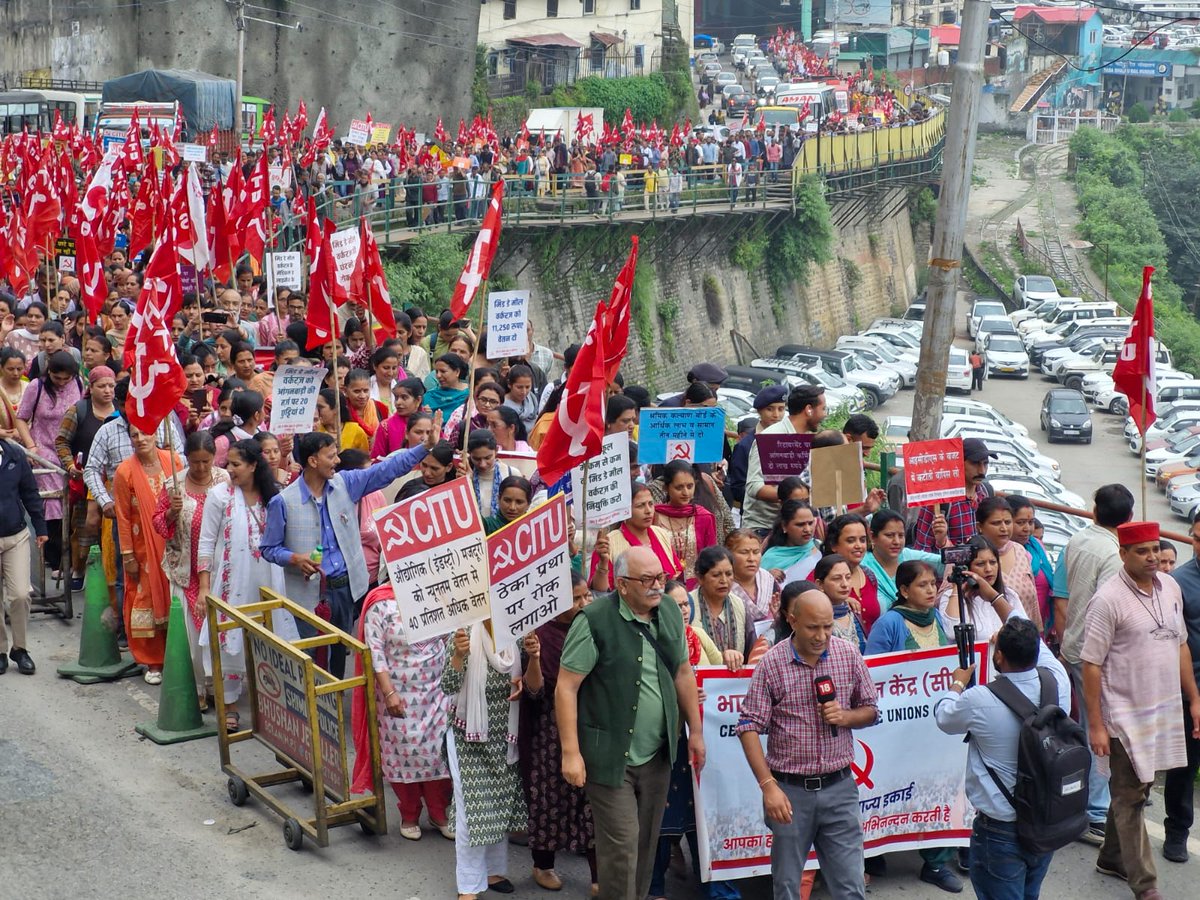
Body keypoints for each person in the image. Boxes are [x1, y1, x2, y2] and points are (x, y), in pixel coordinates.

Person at [556, 546, 705, 900]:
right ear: (621, 585)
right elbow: (566, 687)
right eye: (648, 580)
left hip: (657, 751)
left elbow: (683, 672)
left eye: (661, 578)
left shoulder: (669, 611)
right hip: (609, 756)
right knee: (622, 845)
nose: (657, 586)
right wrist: (571, 753)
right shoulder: (593, 620)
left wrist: (695, 732)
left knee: (646, 844)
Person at [260, 419, 439, 679]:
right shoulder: (282, 502)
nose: (336, 462)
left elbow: (387, 470)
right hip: (308, 595)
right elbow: (269, 549)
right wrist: (294, 558)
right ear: (312, 461)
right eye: (331, 457)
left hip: (345, 590)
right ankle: (315, 710)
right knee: (311, 657)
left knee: (341, 650)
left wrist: (424, 448)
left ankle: (334, 710)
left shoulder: (346, 483)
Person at [735, 587, 878, 900]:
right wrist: (768, 786)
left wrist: (845, 716)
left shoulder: (847, 653)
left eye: (828, 626)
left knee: (851, 886)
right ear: (793, 620)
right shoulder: (772, 664)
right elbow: (747, 726)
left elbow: (871, 709)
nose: (822, 635)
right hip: (790, 792)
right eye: (813, 627)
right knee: (786, 886)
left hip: (840, 787)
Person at [1083, 520, 1200, 900]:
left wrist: (1194, 698)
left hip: (1163, 708)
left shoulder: (1170, 587)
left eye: (1155, 549)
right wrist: (1097, 726)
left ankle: (1113, 857)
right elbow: (1091, 665)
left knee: (1139, 785)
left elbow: (1181, 645)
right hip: (1123, 713)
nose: (1152, 557)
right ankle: (1145, 884)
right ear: (1123, 554)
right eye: (1142, 551)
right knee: (1131, 794)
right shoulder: (1107, 599)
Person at [934, 617, 1071, 900]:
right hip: (1045, 818)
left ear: (999, 656)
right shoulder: (1056, 680)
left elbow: (944, 717)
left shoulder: (980, 699)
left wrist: (957, 685)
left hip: (999, 829)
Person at [865, 560, 963, 891]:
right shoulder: (889, 623)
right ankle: (872, 853)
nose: (932, 590)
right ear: (904, 590)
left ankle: (935, 862)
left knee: (936, 785)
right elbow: (873, 675)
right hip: (895, 729)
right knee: (887, 789)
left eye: (934, 584)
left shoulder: (937, 618)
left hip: (932, 726)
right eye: (923, 585)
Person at [197, 439, 293, 731]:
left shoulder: (273, 497)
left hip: (267, 580)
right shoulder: (219, 496)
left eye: (236, 464)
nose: (230, 469)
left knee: (269, 639)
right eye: (229, 464)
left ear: (253, 466)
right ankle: (229, 706)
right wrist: (203, 588)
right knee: (230, 640)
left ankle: (269, 704)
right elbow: (206, 541)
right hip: (231, 583)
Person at [1057, 483, 1134, 845]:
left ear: (1094, 509)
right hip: (1096, 656)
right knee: (1099, 733)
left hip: (1075, 646)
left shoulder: (1078, 540)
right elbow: (1109, 609)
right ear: (1129, 518)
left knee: (1088, 727)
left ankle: (1083, 805)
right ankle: (1094, 811)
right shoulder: (1114, 555)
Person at [353, 584, 454, 842]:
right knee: (403, 752)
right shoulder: (381, 603)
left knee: (438, 752)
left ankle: (438, 812)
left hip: (437, 691)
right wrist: (389, 693)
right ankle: (409, 812)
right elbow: (375, 653)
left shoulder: (438, 592)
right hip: (397, 693)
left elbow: (450, 638)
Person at [519, 572, 598, 892]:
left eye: (586, 596)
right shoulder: (539, 634)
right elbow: (534, 691)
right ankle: (543, 864)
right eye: (575, 599)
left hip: (591, 722)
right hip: (549, 730)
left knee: (594, 798)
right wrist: (534, 658)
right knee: (548, 797)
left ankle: (598, 873)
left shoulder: (596, 627)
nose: (583, 604)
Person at [443, 622, 530, 900]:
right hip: (467, 735)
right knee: (472, 810)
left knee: (498, 804)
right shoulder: (463, 634)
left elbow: (533, 683)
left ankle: (493, 870)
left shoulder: (516, 633)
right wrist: (458, 655)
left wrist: (524, 681)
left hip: (505, 736)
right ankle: (468, 884)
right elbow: (447, 685)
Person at [154, 431, 231, 708]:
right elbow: (158, 526)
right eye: (195, 462)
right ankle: (196, 686)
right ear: (187, 459)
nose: (200, 468)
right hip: (184, 570)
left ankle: (217, 685)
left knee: (215, 633)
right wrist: (171, 513)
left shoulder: (226, 480)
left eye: (206, 462)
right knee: (189, 636)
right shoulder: (172, 485)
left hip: (218, 569)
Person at [113, 424, 180, 684]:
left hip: (173, 543)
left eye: (145, 432)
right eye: (134, 435)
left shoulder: (172, 461)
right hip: (141, 550)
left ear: (156, 434)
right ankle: (153, 661)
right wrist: (128, 555)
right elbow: (122, 516)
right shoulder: (124, 471)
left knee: (174, 596)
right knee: (145, 601)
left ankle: (177, 657)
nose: (140, 439)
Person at [17, 349, 83, 577]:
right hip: (44, 452)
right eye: (58, 378)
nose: (62, 383)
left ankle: (71, 559)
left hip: (72, 453)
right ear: (49, 373)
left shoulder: (79, 384)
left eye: (67, 379)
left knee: (73, 505)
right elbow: (22, 419)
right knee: (54, 503)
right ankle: (56, 560)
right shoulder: (36, 387)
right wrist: (31, 446)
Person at [1164, 516, 1200, 862]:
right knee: (1183, 767)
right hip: (1190, 691)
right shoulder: (1177, 583)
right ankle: (1176, 831)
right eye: (1198, 539)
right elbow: (1173, 644)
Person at [742, 385, 826, 534]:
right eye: (823, 409)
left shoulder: (811, 440)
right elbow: (754, 487)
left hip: (798, 528)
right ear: (809, 410)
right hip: (765, 529)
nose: (825, 415)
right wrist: (794, 496)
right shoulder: (771, 438)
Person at [0, 435, 47, 674]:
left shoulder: (15, 454)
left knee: (20, 594)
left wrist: (40, 527)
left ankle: (20, 648)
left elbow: (30, 491)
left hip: (15, 536)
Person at [589, 482, 684, 593]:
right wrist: (603, 564)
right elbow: (600, 593)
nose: (648, 511)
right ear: (625, 510)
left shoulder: (661, 534)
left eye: (651, 504)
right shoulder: (609, 543)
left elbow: (675, 575)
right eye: (640, 506)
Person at [911, 438, 995, 552]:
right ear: (959, 463)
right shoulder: (941, 499)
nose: (982, 470)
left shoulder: (986, 493)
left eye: (985, 463)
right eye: (975, 463)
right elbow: (923, 548)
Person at [938, 535, 1025, 642]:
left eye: (993, 562)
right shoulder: (950, 597)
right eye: (980, 564)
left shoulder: (1010, 595)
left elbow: (1025, 632)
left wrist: (1004, 636)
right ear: (968, 567)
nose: (988, 569)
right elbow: (951, 633)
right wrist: (957, 587)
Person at [976, 497, 1043, 634]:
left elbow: (1032, 600)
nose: (1004, 528)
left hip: (1023, 639)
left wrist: (1037, 634)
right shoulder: (967, 555)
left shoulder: (1020, 551)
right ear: (980, 527)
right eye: (996, 523)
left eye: (1007, 522)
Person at [862, 509, 944, 613]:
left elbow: (947, 565)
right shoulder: (861, 566)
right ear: (872, 536)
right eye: (889, 535)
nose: (896, 541)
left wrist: (942, 542)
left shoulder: (909, 556)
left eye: (901, 535)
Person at [654, 460, 718, 588]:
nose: (686, 493)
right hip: (660, 585)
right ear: (666, 488)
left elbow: (711, 558)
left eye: (690, 486)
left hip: (696, 588)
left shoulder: (704, 517)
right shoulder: (654, 516)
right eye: (679, 487)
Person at [689, 546, 754, 669]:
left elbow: (751, 649)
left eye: (729, 574)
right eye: (716, 575)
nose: (724, 581)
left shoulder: (739, 605)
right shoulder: (688, 605)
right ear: (700, 578)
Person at [824, 514, 882, 635]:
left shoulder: (869, 575)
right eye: (851, 540)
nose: (858, 546)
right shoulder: (820, 575)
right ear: (834, 545)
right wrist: (836, 602)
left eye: (862, 540)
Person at [1008, 495, 1054, 637]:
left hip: (1038, 627)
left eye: (1031, 522)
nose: (1027, 528)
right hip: (1014, 630)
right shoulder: (1001, 555)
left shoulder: (1037, 546)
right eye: (1021, 522)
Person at [814, 553, 866, 653]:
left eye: (848, 577)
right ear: (820, 584)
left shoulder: (853, 612)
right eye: (837, 578)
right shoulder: (814, 619)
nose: (845, 584)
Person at [760, 500, 821, 585]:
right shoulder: (770, 558)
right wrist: (767, 577)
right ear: (784, 526)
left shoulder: (819, 547)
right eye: (800, 525)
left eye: (810, 523)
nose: (808, 529)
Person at [726, 528, 779, 622]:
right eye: (744, 552)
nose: (751, 558)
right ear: (728, 554)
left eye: (756, 552)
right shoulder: (722, 585)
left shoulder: (769, 581)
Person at [315, 388, 369, 453]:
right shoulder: (315, 430)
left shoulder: (356, 431)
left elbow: (364, 460)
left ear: (336, 408)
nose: (316, 411)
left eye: (320, 407)